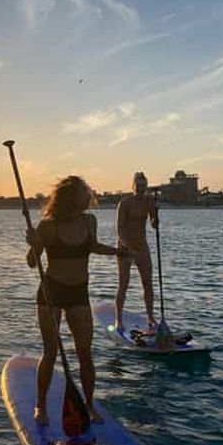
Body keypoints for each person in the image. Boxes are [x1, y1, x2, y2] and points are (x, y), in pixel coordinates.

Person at [26, 176, 129, 425]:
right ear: (71, 196)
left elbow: (92, 246)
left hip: (79, 293)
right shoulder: (48, 226)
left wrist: (117, 251)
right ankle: (41, 406)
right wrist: (34, 244)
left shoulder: (89, 220)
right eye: (85, 192)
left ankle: (89, 406)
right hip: (51, 293)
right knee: (50, 351)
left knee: (85, 352)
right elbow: (32, 262)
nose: (89, 195)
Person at [114, 172, 159, 333]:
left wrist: (155, 217)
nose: (141, 189)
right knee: (123, 284)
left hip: (141, 245)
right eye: (138, 186)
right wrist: (128, 247)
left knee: (148, 284)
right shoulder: (125, 203)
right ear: (133, 186)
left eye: (143, 186)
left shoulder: (149, 201)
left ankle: (151, 318)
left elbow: (153, 224)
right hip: (125, 246)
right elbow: (120, 229)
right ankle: (118, 319)